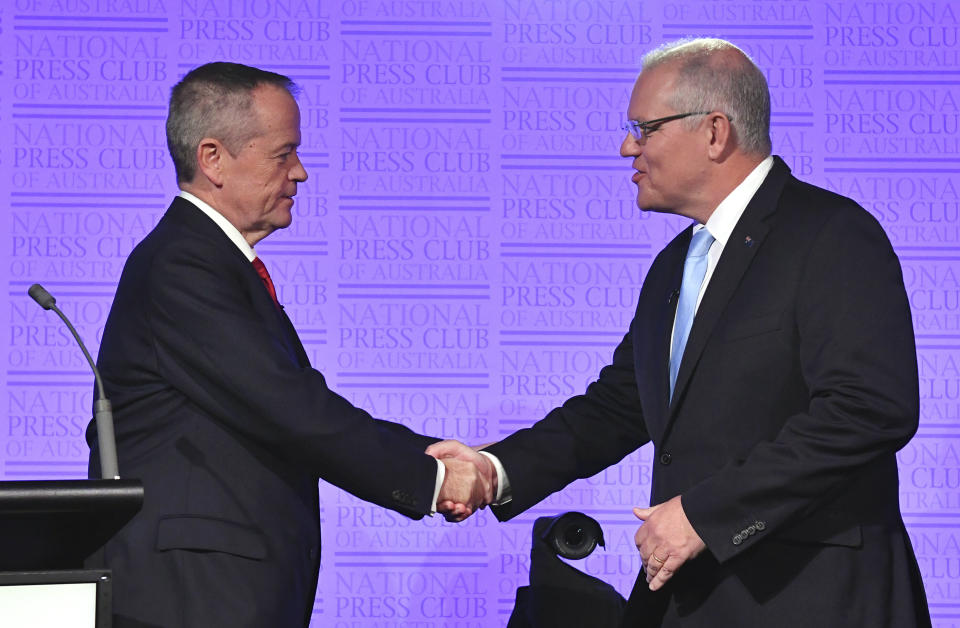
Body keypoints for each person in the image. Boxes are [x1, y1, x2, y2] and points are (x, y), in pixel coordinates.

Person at [431, 38, 931, 627]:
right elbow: (619, 407)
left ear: (715, 132)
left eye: (644, 129)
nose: (626, 148)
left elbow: (868, 409)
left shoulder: (831, 235)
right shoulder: (674, 265)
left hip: (811, 599)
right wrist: (497, 470)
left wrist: (703, 514)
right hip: (692, 601)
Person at [85, 62, 490, 628]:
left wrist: (425, 456)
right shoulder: (185, 264)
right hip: (187, 598)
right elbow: (290, 408)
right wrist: (433, 477)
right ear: (212, 159)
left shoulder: (208, 262)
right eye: (283, 153)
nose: (300, 172)